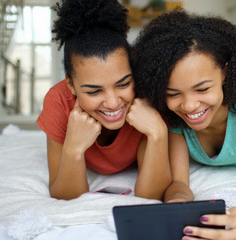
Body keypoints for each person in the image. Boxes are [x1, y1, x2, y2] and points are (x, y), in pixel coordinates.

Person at [132, 9, 236, 239]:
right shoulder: (171, 112)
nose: (189, 106)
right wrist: (178, 205)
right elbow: (179, 182)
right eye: (173, 93)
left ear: (224, 72)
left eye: (202, 89)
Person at [36, 0, 171, 201]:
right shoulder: (58, 101)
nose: (112, 102)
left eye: (123, 84)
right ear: (71, 85)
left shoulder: (146, 96)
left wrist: (158, 133)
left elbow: (151, 195)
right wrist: (74, 148)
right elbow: (64, 195)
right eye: (94, 91)